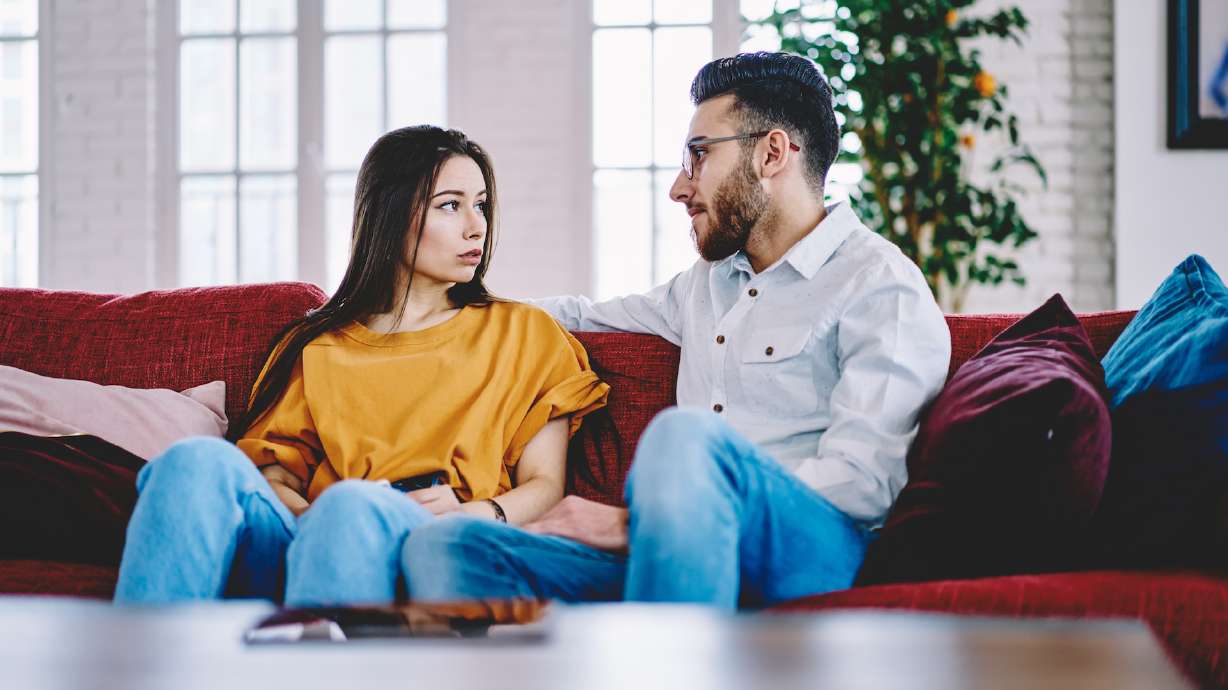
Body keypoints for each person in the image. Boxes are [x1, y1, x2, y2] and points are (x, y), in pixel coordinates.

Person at [402, 52, 951, 609]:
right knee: (448, 545)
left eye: (698, 155)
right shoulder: (707, 285)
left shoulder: (880, 285)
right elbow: (577, 315)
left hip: (813, 551)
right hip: (671, 547)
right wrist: (422, 309)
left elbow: (862, 485)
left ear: (772, 153)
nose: (679, 189)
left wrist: (640, 521)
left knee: (684, 438)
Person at [114, 126, 609, 605]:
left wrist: (478, 513)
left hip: (421, 537)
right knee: (191, 460)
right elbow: (277, 475)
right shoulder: (323, 346)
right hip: (307, 539)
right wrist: (311, 518)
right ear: (391, 215)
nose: (476, 225)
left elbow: (546, 485)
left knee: (352, 504)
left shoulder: (525, 333)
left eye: (480, 204)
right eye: (450, 205)